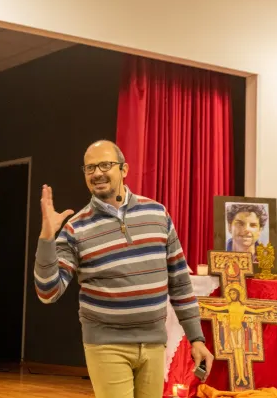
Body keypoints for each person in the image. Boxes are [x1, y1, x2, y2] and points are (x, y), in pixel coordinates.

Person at [34, 140, 213, 398]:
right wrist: (47, 237)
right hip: (106, 345)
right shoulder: (76, 228)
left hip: (154, 344)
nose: (97, 173)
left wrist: (196, 338)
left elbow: (180, 282)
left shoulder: (157, 214)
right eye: (90, 168)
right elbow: (48, 292)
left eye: (105, 165)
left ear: (124, 169)